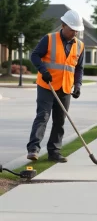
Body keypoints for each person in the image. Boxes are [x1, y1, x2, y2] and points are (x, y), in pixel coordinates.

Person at [26, 9, 85, 163]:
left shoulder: (80, 46)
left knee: (60, 120)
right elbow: (34, 55)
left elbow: (79, 68)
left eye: (77, 31)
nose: (75, 33)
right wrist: (43, 70)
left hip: (65, 88)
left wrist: (77, 85)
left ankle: (54, 152)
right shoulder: (49, 39)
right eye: (72, 30)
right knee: (43, 116)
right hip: (47, 85)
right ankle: (33, 149)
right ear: (63, 25)